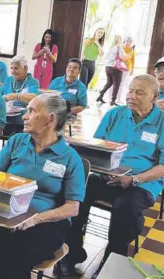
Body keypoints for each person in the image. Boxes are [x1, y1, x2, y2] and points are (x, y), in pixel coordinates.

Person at [0, 93, 86, 279]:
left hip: (47, 221)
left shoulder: (70, 158)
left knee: (17, 255)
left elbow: (73, 208)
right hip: (10, 212)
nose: (24, 115)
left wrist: (35, 219)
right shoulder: (17, 141)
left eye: (31, 111)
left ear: (50, 119)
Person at [65, 75, 164, 279]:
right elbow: (97, 145)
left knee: (124, 207)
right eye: (130, 90)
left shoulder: (161, 123)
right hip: (109, 176)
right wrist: (101, 168)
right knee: (76, 193)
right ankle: (73, 251)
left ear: (154, 96)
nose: (131, 96)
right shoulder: (115, 114)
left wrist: (134, 179)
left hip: (143, 182)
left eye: (139, 92)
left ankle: (111, 261)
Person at [96, 35, 129, 106]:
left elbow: (106, 57)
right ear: (120, 39)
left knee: (109, 82)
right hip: (116, 68)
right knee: (116, 84)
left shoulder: (110, 47)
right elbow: (122, 57)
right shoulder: (119, 46)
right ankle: (113, 100)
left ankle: (100, 95)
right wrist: (128, 55)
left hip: (108, 67)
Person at [112, 36, 136, 104]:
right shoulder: (120, 47)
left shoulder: (132, 50)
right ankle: (112, 98)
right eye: (126, 41)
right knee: (115, 83)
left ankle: (118, 98)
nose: (128, 43)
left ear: (132, 42)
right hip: (118, 67)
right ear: (124, 41)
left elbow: (133, 60)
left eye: (130, 41)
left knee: (121, 84)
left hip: (127, 69)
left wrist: (132, 70)